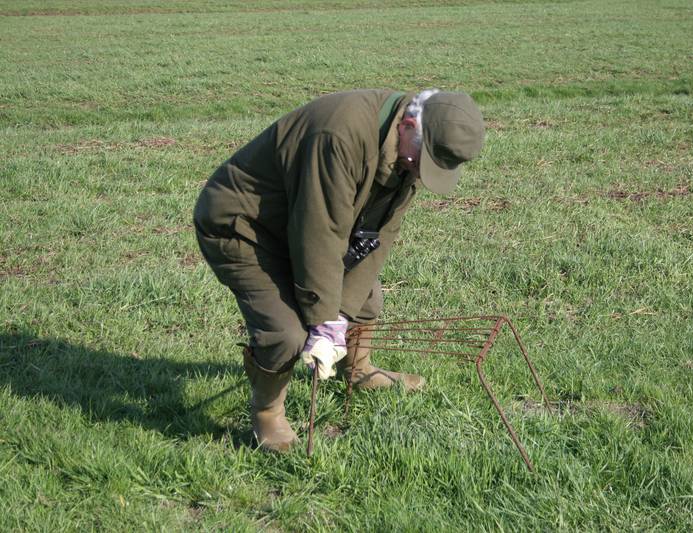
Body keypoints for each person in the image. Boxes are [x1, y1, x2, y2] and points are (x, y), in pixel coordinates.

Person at [193, 89, 485, 452]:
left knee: (364, 298)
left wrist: (342, 312)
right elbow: (320, 233)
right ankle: (267, 414)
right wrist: (325, 322)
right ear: (409, 124)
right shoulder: (339, 136)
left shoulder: (405, 148)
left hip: (297, 223)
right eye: (422, 160)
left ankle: (358, 371)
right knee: (286, 333)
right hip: (244, 227)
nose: (420, 172)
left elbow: (381, 232)